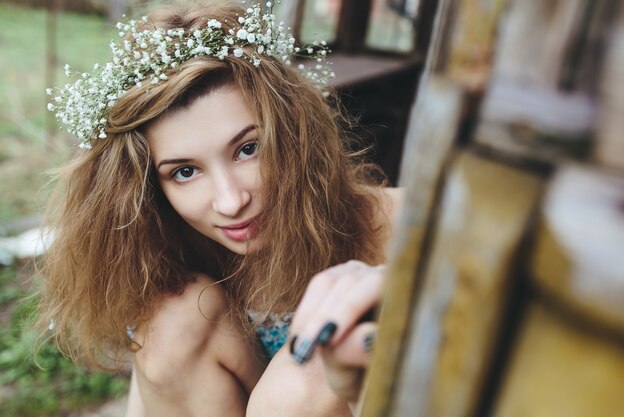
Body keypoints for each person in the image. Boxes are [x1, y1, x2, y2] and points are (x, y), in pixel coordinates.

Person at [39, 1, 403, 416]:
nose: (231, 201)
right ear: (147, 186)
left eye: (248, 149)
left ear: (294, 133)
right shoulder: (164, 243)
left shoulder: (398, 227)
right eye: (185, 172)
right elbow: (153, 392)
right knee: (170, 329)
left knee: (308, 375)